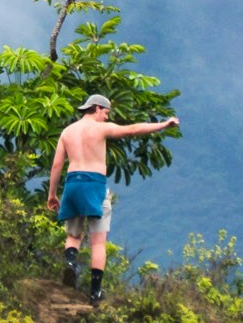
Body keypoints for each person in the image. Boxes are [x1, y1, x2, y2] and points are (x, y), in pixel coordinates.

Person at [45, 91, 179, 304]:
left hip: (72, 183)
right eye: (106, 112)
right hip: (95, 184)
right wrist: (163, 125)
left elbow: (56, 165)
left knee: (73, 236)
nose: (107, 117)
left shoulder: (67, 132)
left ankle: (70, 264)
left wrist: (52, 195)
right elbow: (133, 129)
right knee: (98, 242)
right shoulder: (101, 128)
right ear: (96, 108)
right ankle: (95, 292)